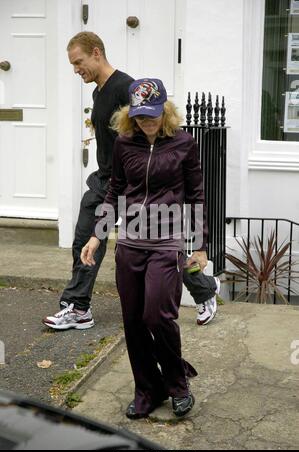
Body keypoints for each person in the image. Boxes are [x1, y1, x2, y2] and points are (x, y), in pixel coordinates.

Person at [80, 78, 209, 419]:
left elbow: (195, 195)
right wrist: (98, 234)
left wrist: (200, 245)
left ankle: (177, 383)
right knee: (134, 321)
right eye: (140, 116)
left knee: (158, 315)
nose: (146, 122)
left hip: (167, 241)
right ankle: (147, 391)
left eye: (152, 115)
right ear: (131, 114)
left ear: (165, 111)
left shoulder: (183, 143)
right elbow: (116, 190)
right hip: (131, 242)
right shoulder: (125, 144)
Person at [43, 32, 134, 330]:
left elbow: (142, 135)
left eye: (78, 62)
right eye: (72, 64)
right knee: (84, 239)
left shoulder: (125, 87)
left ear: (96, 53)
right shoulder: (98, 92)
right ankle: (79, 307)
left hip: (129, 182)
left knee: (153, 245)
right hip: (104, 180)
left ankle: (203, 288)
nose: (76, 69)